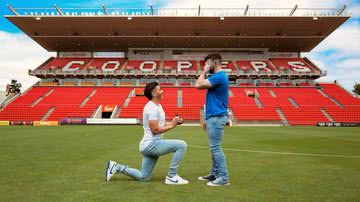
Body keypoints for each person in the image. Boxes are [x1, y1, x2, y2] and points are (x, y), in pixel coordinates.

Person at [105, 82, 189, 185]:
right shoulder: (151, 108)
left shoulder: (157, 106)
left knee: (144, 177)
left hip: (149, 145)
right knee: (181, 145)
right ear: (154, 93)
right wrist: (172, 125)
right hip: (151, 144)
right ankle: (172, 176)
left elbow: (161, 124)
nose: (162, 91)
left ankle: (117, 167)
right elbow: (155, 130)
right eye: (159, 89)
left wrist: (174, 122)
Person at [195, 53, 230, 186]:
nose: (206, 66)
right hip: (213, 117)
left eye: (207, 64)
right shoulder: (217, 77)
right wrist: (206, 118)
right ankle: (214, 174)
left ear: (214, 63)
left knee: (215, 148)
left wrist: (203, 72)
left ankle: (224, 177)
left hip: (216, 117)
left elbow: (197, 85)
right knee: (214, 148)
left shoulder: (219, 77)